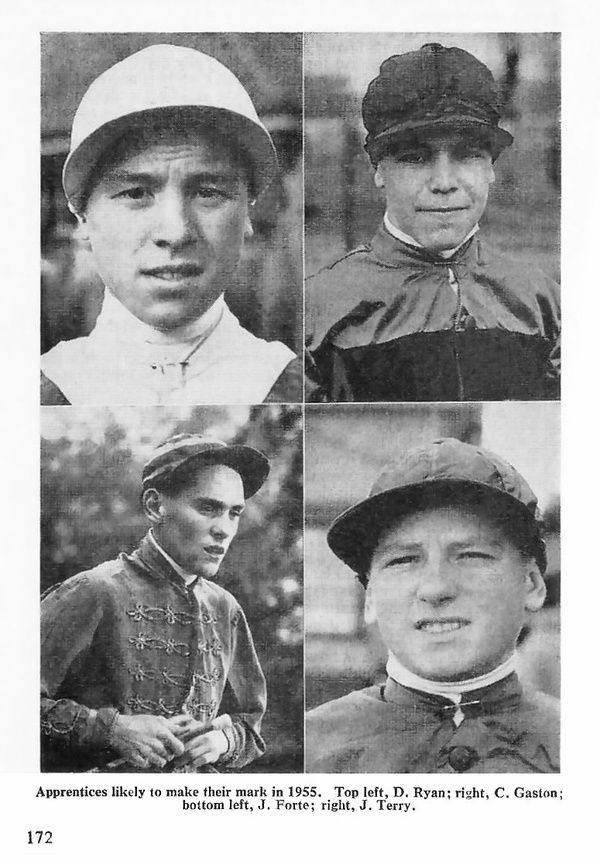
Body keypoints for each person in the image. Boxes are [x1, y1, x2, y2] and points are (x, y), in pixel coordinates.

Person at [41, 44, 300, 405]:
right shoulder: (42, 391)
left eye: (208, 192)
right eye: (135, 193)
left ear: (247, 214)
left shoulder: (297, 386)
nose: (175, 232)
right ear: (82, 218)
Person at [306, 43, 560, 402]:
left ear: (491, 167)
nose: (443, 182)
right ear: (379, 169)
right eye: (415, 158)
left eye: (468, 155)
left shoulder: (542, 300)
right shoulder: (319, 307)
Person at [306, 437, 559, 773]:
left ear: (532, 585)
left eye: (472, 556)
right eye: (404, 560)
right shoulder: (310, 749)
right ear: (369, 598)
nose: (435, 588)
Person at [41, 433, 269, 772]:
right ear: (154, 505)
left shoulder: (225, 608)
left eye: (234, 513)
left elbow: (250, 721)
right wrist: (111, 729)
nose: (223, 529)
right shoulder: (94, 590)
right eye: (208, 508)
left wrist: (222, 740)